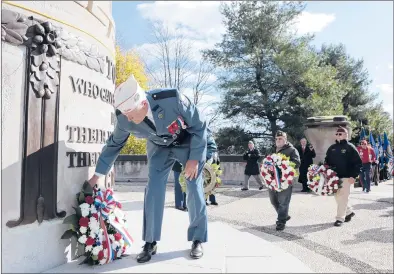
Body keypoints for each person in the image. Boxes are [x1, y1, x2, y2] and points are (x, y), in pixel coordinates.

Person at [87, 75, 217, 263]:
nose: (128, 118)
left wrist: (195, 159)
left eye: (130, 113)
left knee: (193, 185)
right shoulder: (124, 118)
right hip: (159, 147)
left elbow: (199, 125)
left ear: (143, 104)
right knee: (154, 189)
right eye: (124, 114)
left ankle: (197, 238)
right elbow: (114, 145)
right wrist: (97, 175)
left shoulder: (173, 100)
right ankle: (150, 241)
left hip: (186, 142)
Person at [324, 127, 362, 227]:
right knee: (337, 197)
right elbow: (326, 161)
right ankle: (349, 212)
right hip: (334, 177)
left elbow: (358, 163)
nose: (338, 135)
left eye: (340, 134)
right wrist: (325, 171)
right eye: (337, 134)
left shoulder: (350, 147)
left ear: (346, 135)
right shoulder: (332, 148)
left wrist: (354, 176)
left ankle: (340, 218)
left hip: (346, 177)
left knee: (343, 197)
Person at [269, 131, 301, 231]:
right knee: (273, 201)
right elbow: (265, 160)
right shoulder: (271, 149)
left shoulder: (292, 150)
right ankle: (284, 215)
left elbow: (297, 162)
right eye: (277, 139)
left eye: (280, 139)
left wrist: (283, 163)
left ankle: (281, 222)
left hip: (285, 180)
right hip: (272, 180)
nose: (278, 140)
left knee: (283, 202)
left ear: (285, 140)